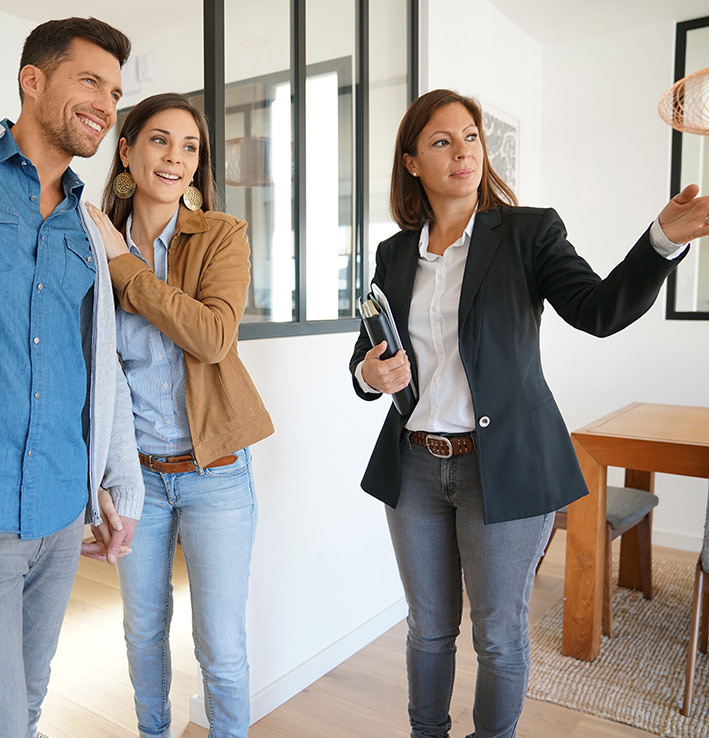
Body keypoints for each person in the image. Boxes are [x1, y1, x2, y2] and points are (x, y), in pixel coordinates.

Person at [349, 88, 709, 738]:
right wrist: (367, 374)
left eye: (470, 137)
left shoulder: (527, 232)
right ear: (410, 163)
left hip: (503, 470)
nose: (462, 151)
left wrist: (660, 242)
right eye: (440, 141)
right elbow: (369, 354)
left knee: (497, 633)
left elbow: (598, 311)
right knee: (427, 629)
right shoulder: (394, 254)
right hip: (414, 471)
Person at [83, 92, 274, 738]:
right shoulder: (90, 243)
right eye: (160, 141)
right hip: (136, 476)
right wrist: (99, 483)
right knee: (141, 634)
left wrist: (126, 267)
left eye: (190, 146)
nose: (176, 158)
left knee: (220, 646)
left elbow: (213, 336)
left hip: (215, 471)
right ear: (128, 151)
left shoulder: (221, 235)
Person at [0, 17, 145, 738]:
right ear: (33, 81)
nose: (105, 104)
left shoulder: (87, 228)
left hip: (60, 511)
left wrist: (115, 484)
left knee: (27, 703)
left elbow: (103, 369)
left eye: (114, 91)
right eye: (89, 80)